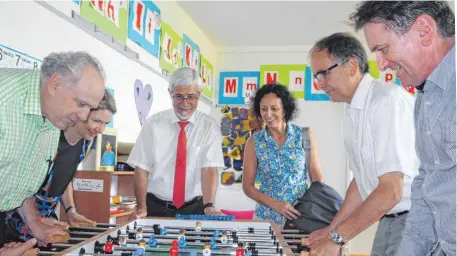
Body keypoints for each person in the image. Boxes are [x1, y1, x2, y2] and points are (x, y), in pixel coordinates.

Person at [349, 2, 456, 255]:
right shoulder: (426, 97)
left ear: (424, 30)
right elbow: (428, 187)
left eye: (383, 49)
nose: (381, 64)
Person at [306, 33, 418, 256]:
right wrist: (331, 230)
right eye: (316, 77)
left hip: (416, 220)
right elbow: (362, 181)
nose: (320, 84)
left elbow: (391, 191)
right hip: (389, 220)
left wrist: (337, 239)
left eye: (323, 74)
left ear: (351, 66)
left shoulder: (386, 102)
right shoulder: (350, 110)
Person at [0, 51, 106, 250]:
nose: (83, 116)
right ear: (55, 84)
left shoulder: (51, 117)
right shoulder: (4, 99)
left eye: (89, 108)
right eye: (81, 104)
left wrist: (33, 221)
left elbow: (17, 179)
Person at [128, 67, 225, 218]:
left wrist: (209, 205)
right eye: (179, 96)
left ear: (199, 95)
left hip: (195, 208)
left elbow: (209, 169)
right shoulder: (154, 124)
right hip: (156, 206)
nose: (185, 103)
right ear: (170, 94)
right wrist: (141, 207)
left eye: (191, 96)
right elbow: (141, 168)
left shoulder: (208, 126)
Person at [242, 83, 324, 226]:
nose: (268, 114)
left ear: (285, 109)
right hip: (266, 218)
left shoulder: (304, 135)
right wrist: (275, 204)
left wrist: (311, 208)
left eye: (274, 109)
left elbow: (317, 180)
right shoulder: (254, 142)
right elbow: (248, 187)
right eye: (264, 109)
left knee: (297, 249)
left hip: (300, 217)